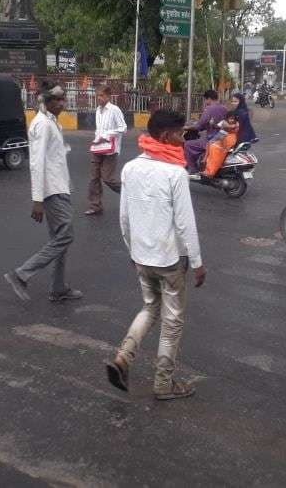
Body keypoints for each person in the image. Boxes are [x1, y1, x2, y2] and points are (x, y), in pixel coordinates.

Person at [106, 109, 206, 401]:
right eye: (180, 134)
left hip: (141, 256)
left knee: (150, 308)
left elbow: (124, 218)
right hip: (170, 260)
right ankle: (164, 382)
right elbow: (186, 223)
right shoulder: (175, 173)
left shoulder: (131, 168)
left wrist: (132, 250)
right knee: (172, 320)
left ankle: (124, 357)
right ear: (165, 136)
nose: (183, 139)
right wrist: (198, 263)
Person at [5, 86, 82, 303]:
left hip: (60, 189)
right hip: (52, 192)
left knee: (60, 240)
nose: (61, 103)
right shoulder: (42, 125)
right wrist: (37, 199)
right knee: (66, 236)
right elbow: (37, 164)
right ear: (46, 101)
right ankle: (20, 274)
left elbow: (55, 159)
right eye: (56, 100)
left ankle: (57, 288)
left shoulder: (50, 122)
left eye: (62, 99)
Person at [85, 84, 127, 216]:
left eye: (102, 95)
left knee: (107, 178)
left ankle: (131, 193)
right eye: (97, 95)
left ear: (108, 96)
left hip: (110, 149)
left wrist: (107, 135)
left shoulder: (114, 110)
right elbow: (99, 129)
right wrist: (97, 138)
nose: (99, 98)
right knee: (94, 178)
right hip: (97, 147)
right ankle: (95, 206)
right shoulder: (98, 110)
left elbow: (123, 128)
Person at [183, 90, 228, 173]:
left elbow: (200, 125)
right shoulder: (224, 108)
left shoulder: (209, 109)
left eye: (205, 100)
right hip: (223, 137)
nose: (205, 102)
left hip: (212, 139)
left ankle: (192, 168)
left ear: (209, 99)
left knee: (188, 145)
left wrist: (187, 127)